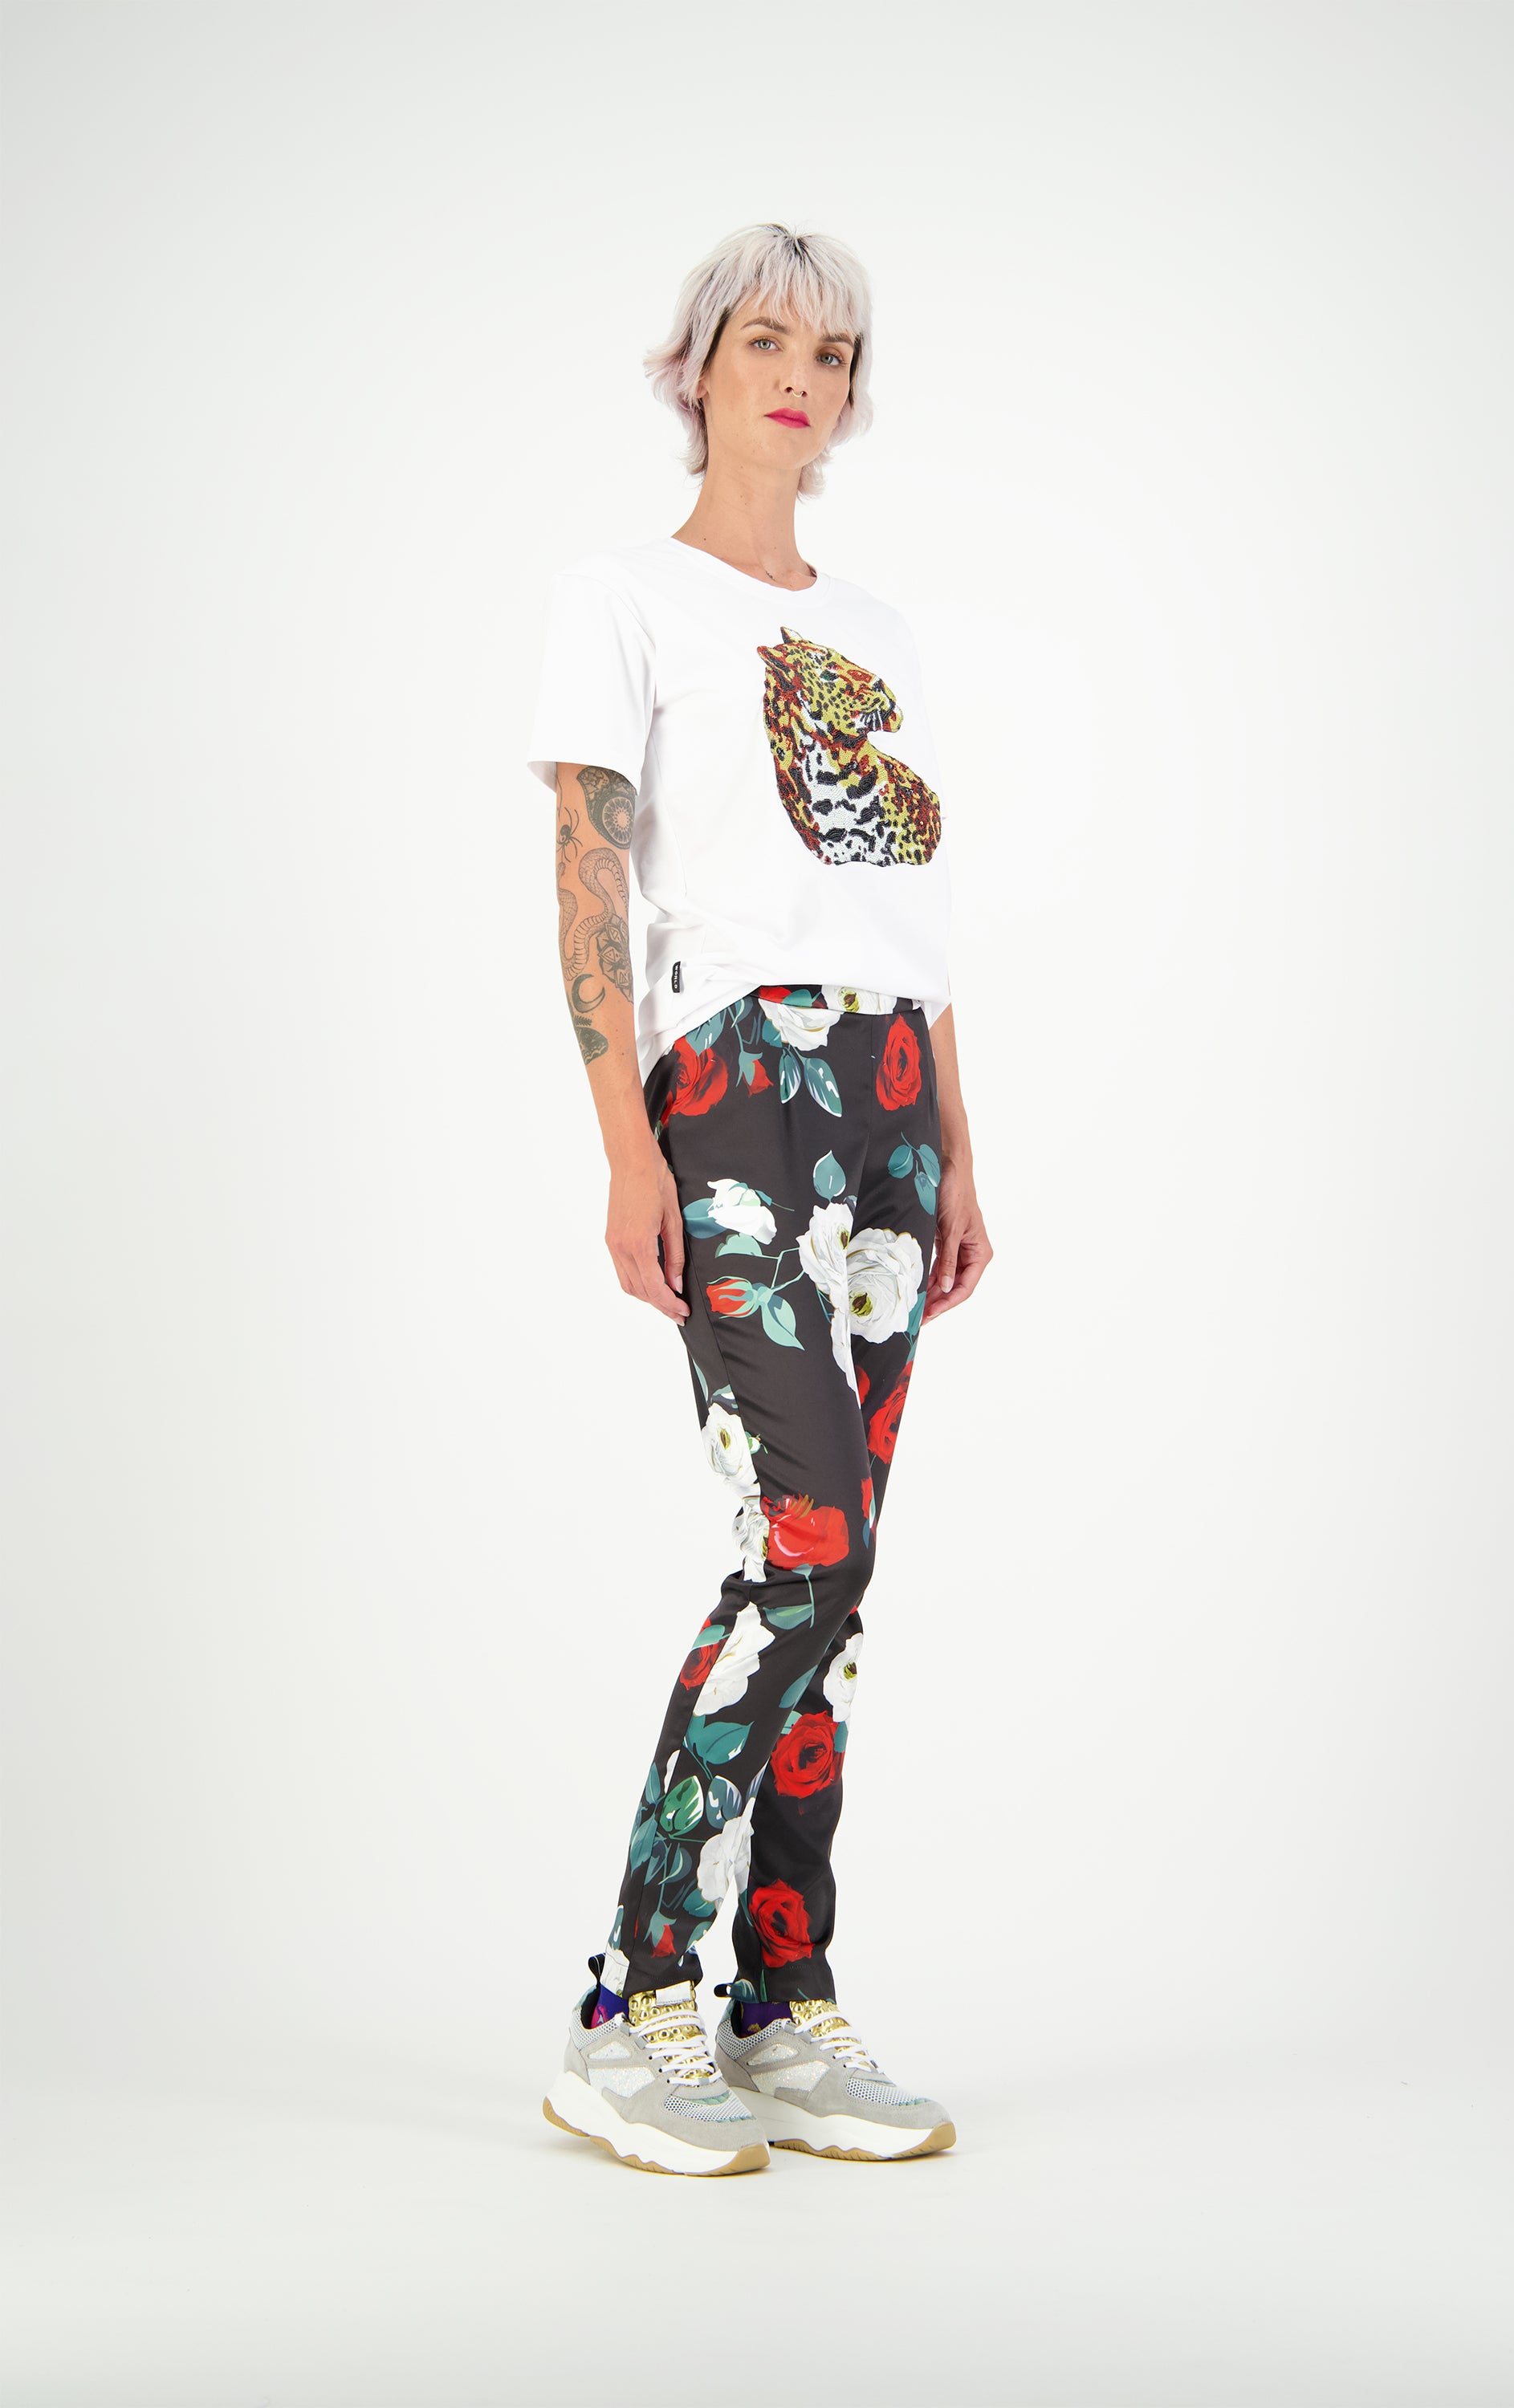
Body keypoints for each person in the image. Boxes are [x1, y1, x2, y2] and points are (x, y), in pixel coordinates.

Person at [525, 223, 992, 2175]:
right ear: (698, 365)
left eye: (834, 352)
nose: (802, 376)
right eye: (767, 341)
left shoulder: (875, 624)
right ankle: (628, 2008)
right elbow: (588, 880)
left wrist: (955, 1142)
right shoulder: (626, 599)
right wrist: (625, 1144)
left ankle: (782, 2000)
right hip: (731, 1086)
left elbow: (905, 905)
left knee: (842, 1575)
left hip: (887, 1097)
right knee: (800, 1540)